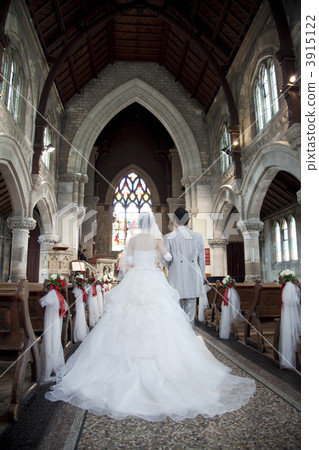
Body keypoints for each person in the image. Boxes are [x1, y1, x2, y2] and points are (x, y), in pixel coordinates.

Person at [45, 212, 255, 422]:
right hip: (153, 278)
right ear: (152, 225)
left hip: (136, 278)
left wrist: (136, 260)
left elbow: (126, 261)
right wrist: (160, 260)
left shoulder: (133, 240)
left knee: (125, 316)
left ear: (138, 225)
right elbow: (169, 258)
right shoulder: (157, 240)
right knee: (162, 314)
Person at [163, 207, 207, 327]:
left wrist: (171, 266)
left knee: (176, 312)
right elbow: (201, 259)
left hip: (175, 277)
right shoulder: (197, 236)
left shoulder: (168, 237)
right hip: (192, 277)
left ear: (174, 221)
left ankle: (179, 339)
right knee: (190, 312)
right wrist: (201, 276)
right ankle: (190, 337)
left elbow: (165, 259)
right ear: (188, 220)